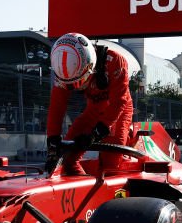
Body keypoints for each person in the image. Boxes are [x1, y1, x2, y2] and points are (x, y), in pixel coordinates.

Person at [45, 32, 133, 175]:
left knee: (110, 166)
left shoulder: (115, 61)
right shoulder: (62, 70)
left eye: (78, 82)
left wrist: (96, 134)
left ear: (90, 65)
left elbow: (119, 103)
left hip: (118, 113)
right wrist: (53, 141)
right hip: (92, 111)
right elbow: (57, 106)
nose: (76, 87)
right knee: (66, 159)